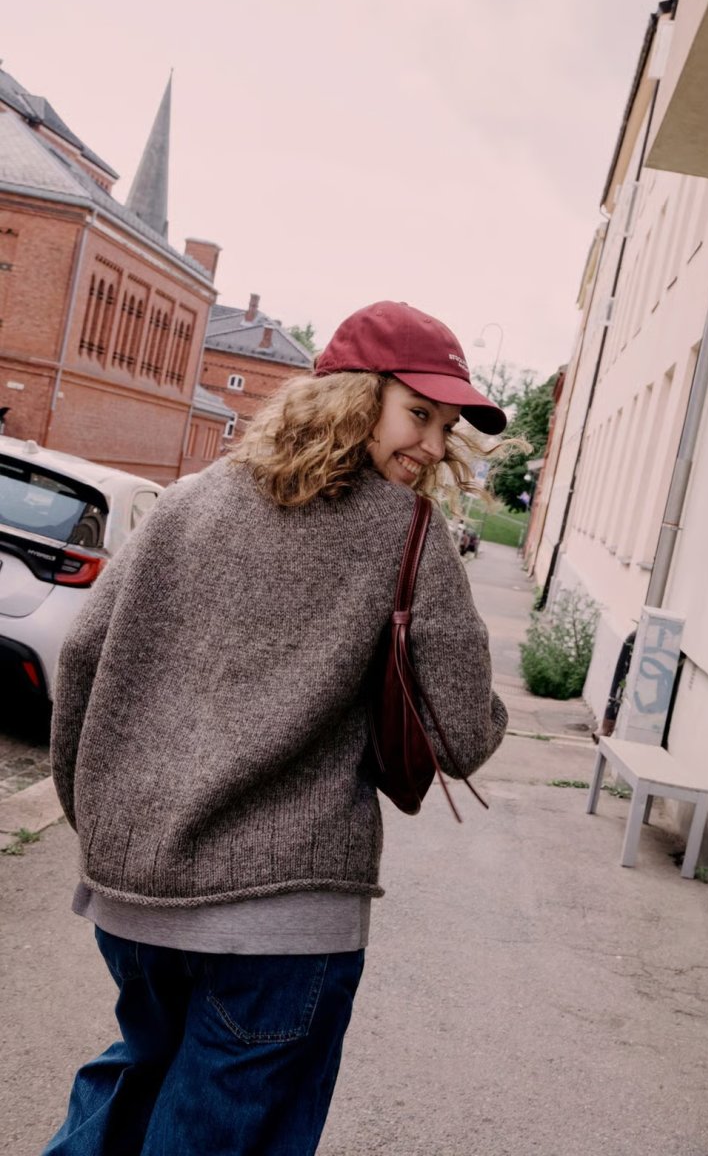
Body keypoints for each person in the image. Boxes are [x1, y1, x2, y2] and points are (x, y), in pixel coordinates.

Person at [45, 299, 509, 1156]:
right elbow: (459, 738)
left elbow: (81, 658)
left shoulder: (188, 501)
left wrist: (104, 826)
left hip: (135, 901)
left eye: (447, 428)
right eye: (419, 413)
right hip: (284, 923)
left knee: (135, 1086)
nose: (434, 446)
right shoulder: (405, 530)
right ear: (354, 397)